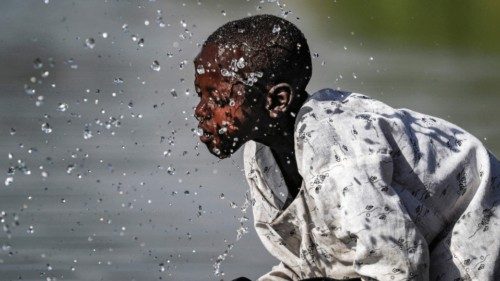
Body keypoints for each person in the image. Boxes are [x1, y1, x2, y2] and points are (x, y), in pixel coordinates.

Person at [193, 14, 500, 281]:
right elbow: (315, 266)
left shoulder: (338, 146)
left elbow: (399, 271)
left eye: (218, 100)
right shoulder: (262, 156)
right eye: (200, 95)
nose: (200, 111)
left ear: (276, 101)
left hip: (479, 233)